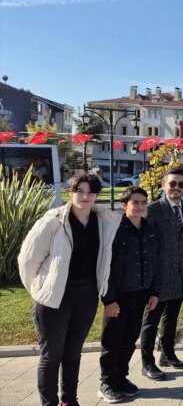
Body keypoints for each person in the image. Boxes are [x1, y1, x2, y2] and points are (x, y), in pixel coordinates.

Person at [18, 174, 121, 406]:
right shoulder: (53, 221)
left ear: (96, 195)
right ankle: (49, 403)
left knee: (73, 354)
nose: (85, 196)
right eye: (80, 191)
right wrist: (40, 290)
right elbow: (27, 260)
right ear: (70, 191)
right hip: (54, 298)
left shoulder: (104, 221)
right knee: (51, 356)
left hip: (86, 297)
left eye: (91, 192)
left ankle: (69, 401)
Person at [98, 187, 161, 402]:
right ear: (125, 205)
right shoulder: (114, 230)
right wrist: (109, 299)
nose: (141, 206)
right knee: (111, 341)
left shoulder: (150, 229)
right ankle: (106, 381)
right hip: (118, 296)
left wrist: (155, 293)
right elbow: (104, 267)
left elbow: (156, 264)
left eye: (144, 202)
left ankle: (120, 377)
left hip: (141, 294)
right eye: (135, 202)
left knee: (129, 339)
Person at [140, 166, 183, 381]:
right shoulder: (154, 209)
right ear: (164, 185)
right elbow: (147, 246)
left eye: (181, 185)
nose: (177, 188)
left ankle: (168, 355)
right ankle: (147, 363)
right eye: (172, 184)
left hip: (181, 274)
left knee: (172, 317)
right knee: (151, 320)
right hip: (158, 277)